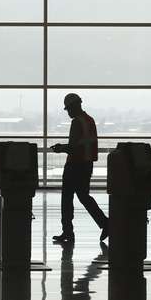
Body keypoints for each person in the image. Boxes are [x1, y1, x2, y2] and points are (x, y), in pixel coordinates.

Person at [51, 93, 109, 244]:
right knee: (84, 196)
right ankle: (105, 223)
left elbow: (73, 147)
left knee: (67, 198)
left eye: (69, 109)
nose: (68, 112)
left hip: (74, 165)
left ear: (75, 106)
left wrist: (60, 148)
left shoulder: (77, 122)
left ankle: (68, 232)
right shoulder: (90, 120)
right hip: (87, 164)